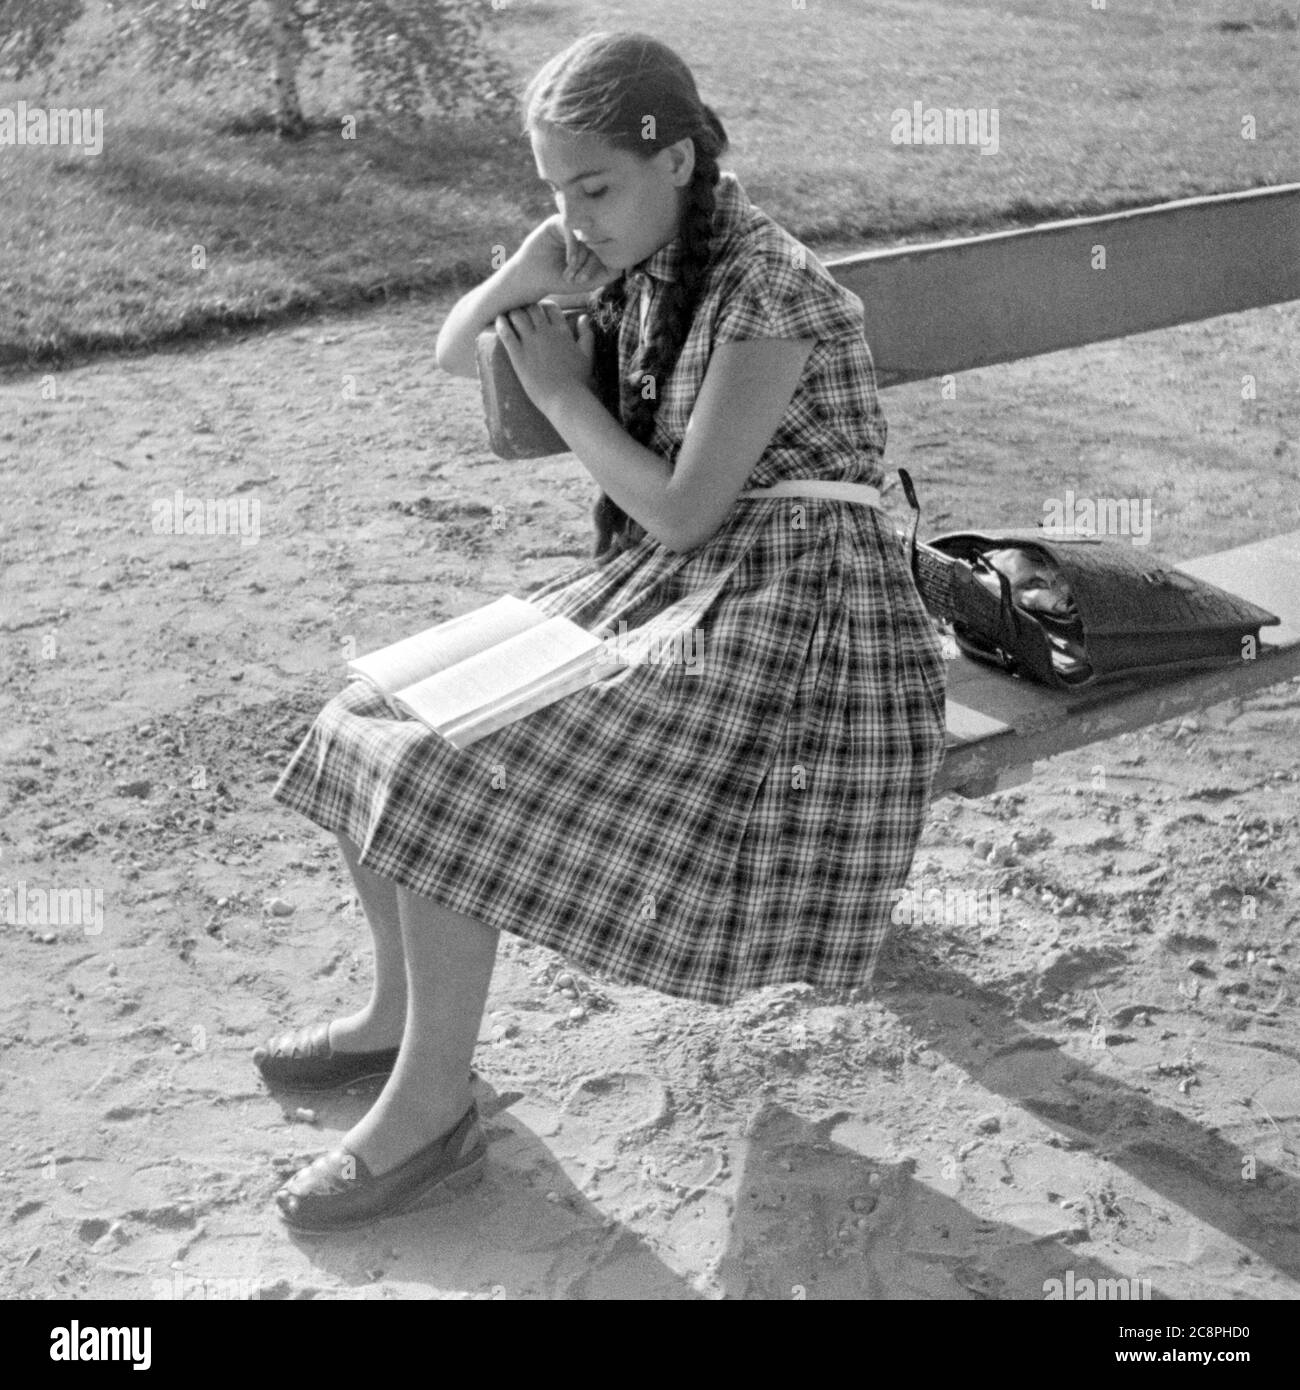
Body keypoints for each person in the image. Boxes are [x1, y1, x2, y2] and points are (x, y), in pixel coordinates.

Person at [260, 29, 947, 1234]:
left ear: (675, 157)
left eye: (593, 188)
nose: (575, 219)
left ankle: (433, 1107)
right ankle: (393, 1019)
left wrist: (568, 397)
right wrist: (524, 272)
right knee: (367, 711)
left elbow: (684, 511)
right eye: (552, 193)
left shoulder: (767, 286)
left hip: (802, 625)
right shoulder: (638, 250)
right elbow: (447, 351)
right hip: (686, 587)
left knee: (443, 764)